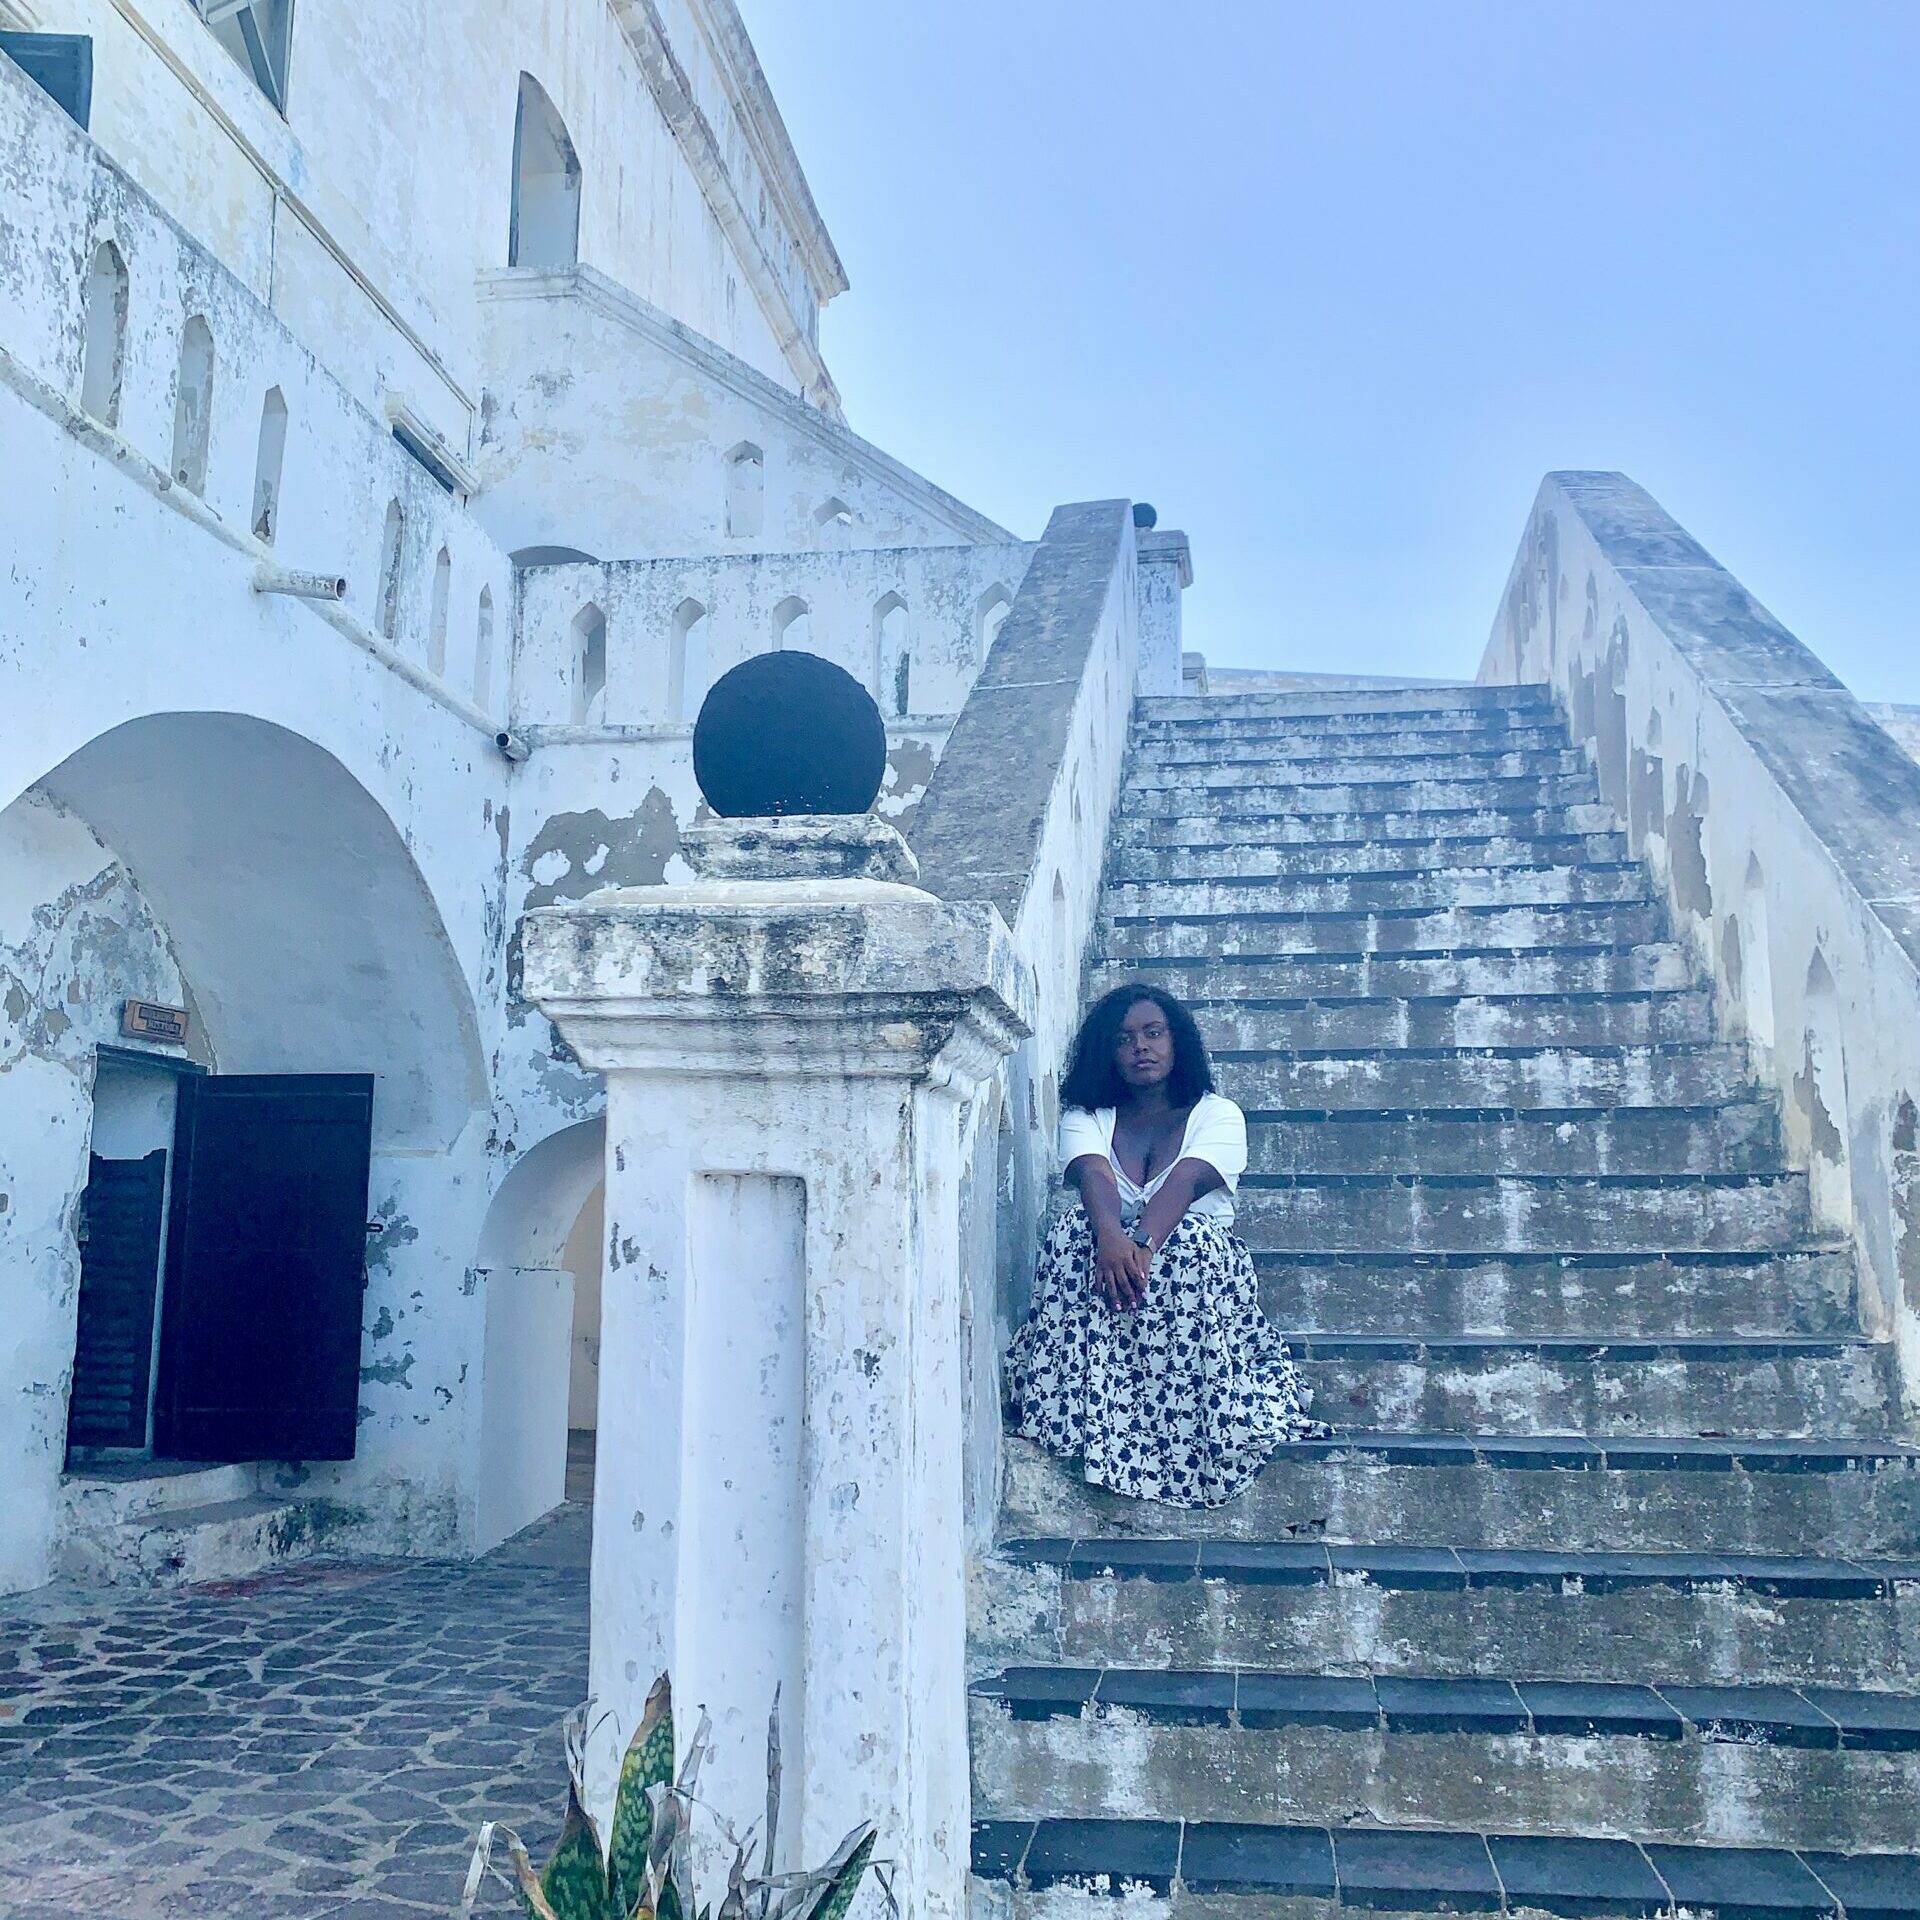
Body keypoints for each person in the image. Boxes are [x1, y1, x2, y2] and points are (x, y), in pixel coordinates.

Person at [1005, 983, 1324, 1508]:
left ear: (1177, 1043)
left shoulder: (1217, 1114)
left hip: (1189, 1273)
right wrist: (1111, 1239)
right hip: (1109, 1271)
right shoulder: (1087, 1115)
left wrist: (1142, 1245)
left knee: (1192, 1242)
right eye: (1124, 1039)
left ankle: (1185, 1411)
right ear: (1107, 1052)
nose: (1141, 1048)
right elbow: (1093, 1178)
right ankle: (1092, 1404)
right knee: (1072, 1235)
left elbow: (1187, 1184)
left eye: (1153, 1033)